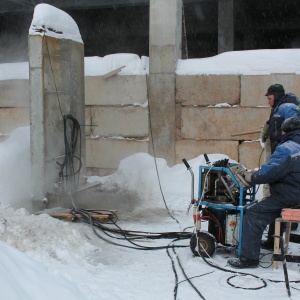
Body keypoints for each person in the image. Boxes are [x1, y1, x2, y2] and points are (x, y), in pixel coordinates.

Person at [228, 117, 300, 268]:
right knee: (272, 205)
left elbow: (271, 172)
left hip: (290, 198)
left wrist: (252, 176)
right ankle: (271, 242)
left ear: (284, 131)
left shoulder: (287, 148)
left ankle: (249, 259)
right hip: (294, 195)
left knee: (254, 214)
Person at [260, 84, 300, 249]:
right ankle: (276, 235)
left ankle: (274, 239)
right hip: (282, 157)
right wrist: (268, 127)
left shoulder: (288, 107)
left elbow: (293, 126)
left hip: (285, 160)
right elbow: (277, 124)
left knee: (278, 196)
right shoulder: (279, 107)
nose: (269, 102)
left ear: (276, 96)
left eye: (270, 98)